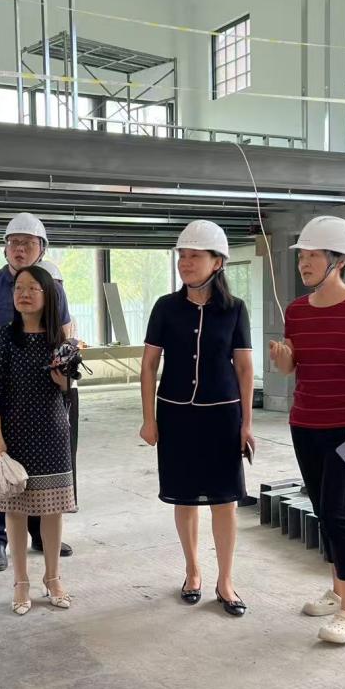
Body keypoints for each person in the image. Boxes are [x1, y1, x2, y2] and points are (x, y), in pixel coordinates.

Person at [269, 216, 345, 645]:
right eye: (302, 255)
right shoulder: (296, 311)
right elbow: (292, 367)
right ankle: (338, 592)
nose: (304, 262)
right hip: (304, 423)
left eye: (314, 255)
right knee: (322, 511)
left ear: (340, 259)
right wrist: (282, 357)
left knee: (338, 514)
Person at [139, 220, 255, 617]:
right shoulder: (165, 307)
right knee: (185, 496)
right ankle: (192, 571)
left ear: (217, 262)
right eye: (181, 256)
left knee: (225, 500)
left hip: (222, 415)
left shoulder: (235, 309)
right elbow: (148, 365)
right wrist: (149, 418)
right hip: (175, 415)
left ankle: (226, 581)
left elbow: (244, 369)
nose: (185, 263)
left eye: (194, 256)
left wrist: (246, 424)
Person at [0, 213, 75, 571]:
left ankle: (41, 534)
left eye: (27, 243)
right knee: (1, 467)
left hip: (46, 396)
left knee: (43, 470)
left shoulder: (53, 288)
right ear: (4, 247)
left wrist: (62, 372)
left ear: (42, 249)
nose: (19, 248)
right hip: (4, 397)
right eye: (13, 242)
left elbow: (66, 335)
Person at [0, 265, 77, 615]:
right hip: (14, 434)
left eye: (32, 288)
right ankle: (20, 581)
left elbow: (67, 388)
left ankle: (53, 578)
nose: (23, 294)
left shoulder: (60, 340)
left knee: (52, 509)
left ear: (47, 295)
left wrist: (61, 374)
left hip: (53, 432)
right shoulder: (3, 337)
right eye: (18, 288)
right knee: (16, 510)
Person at [38, 259, 81, 509]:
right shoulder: (28, 323)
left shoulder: (68, 318)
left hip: (66, 390)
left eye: (57, 286)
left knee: (67, 446)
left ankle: (68, 497)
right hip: (38, 395)